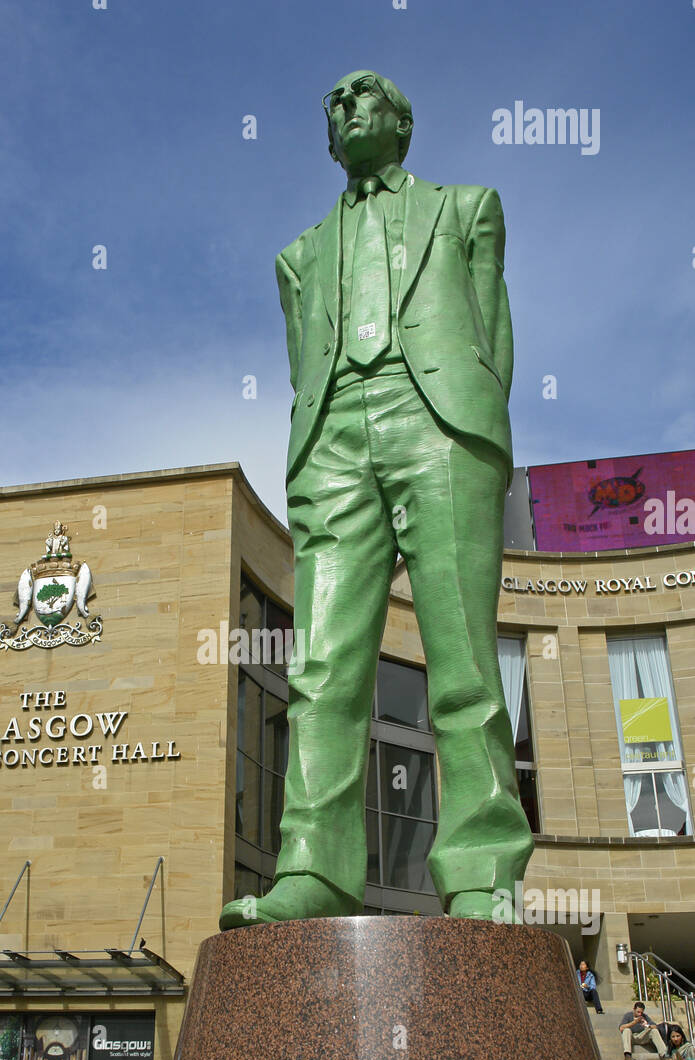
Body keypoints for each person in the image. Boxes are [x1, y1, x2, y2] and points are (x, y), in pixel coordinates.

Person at [220, 69, 533, 929]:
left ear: (401, 122)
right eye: (334, 104)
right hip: (333, 440)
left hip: (437, 424)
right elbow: (301, 362)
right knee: (320, 667)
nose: (347, 108)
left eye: (365, 97)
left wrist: (469, 429)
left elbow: (492, 338)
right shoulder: (298, 258)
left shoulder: (467, 209)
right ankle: (314, 869)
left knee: (462, 659)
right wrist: (324, 438)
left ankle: (480, 874)